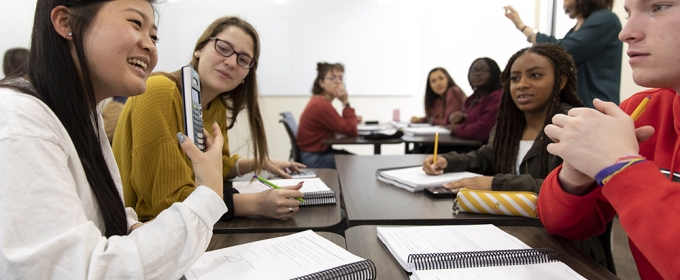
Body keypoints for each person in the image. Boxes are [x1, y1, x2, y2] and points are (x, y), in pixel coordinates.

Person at [0, 0, 227, 279]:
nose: (150, 46)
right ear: (66, 23)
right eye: (135, 23)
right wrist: (209, 195)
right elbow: (82, 272)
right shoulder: (20, 123)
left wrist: (133, 228)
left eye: (154, 36)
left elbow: (100, 214)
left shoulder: (83, 115)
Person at [423, 44, 608, 268]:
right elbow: (486, 156)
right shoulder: (509, 123)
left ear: (560, 81)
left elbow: (564, 191)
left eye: (535, 75)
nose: (522, 85)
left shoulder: (573, 124)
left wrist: (496, 183)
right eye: (515, 78)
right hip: (513, 230)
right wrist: (448, 160)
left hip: (564, 246)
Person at [112, 16, 305, 222]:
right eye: (223, 48)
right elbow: (165, 202)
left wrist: (259, 162)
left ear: (246, 75)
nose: (231, 62)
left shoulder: (216, 104)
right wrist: (255, 203)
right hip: (143, 232)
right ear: (199, 49)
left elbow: (212, 167)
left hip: (190, 229)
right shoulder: (160, 91)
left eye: (243, 60)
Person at [537, 0, 680, 278]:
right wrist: (574, 178)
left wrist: (621, 169)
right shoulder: (641, 111)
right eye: (628, 13)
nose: (625, 32)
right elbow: (563, 224)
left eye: (658, 7)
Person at [503, 0, 622, 108]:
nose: (563, 3)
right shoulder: (575, 29)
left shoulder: (605, 18)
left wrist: (523, 28)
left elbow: (562, 50)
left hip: (596, 107)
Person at [297, 62, 361, 169]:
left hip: (313, 154)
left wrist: (352, 119)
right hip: (313, 158)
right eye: (333, 78)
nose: (338, 82)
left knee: (355, 160)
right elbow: (351, 130)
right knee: (357, 162)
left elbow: (341, 125)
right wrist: (345, 101)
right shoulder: (321, 105)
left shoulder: (320, 101)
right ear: (321, 82)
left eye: (341, 78)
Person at [448, 57, 502, 143]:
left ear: (494, 73)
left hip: (484, 149)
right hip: (467, 143)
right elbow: (461, 119)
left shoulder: (498, 98)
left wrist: (456, 128)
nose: (477, 74)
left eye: (483, 70)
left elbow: (482, 130)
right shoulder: (472, 98)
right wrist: (456, 117)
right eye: (474, 70)